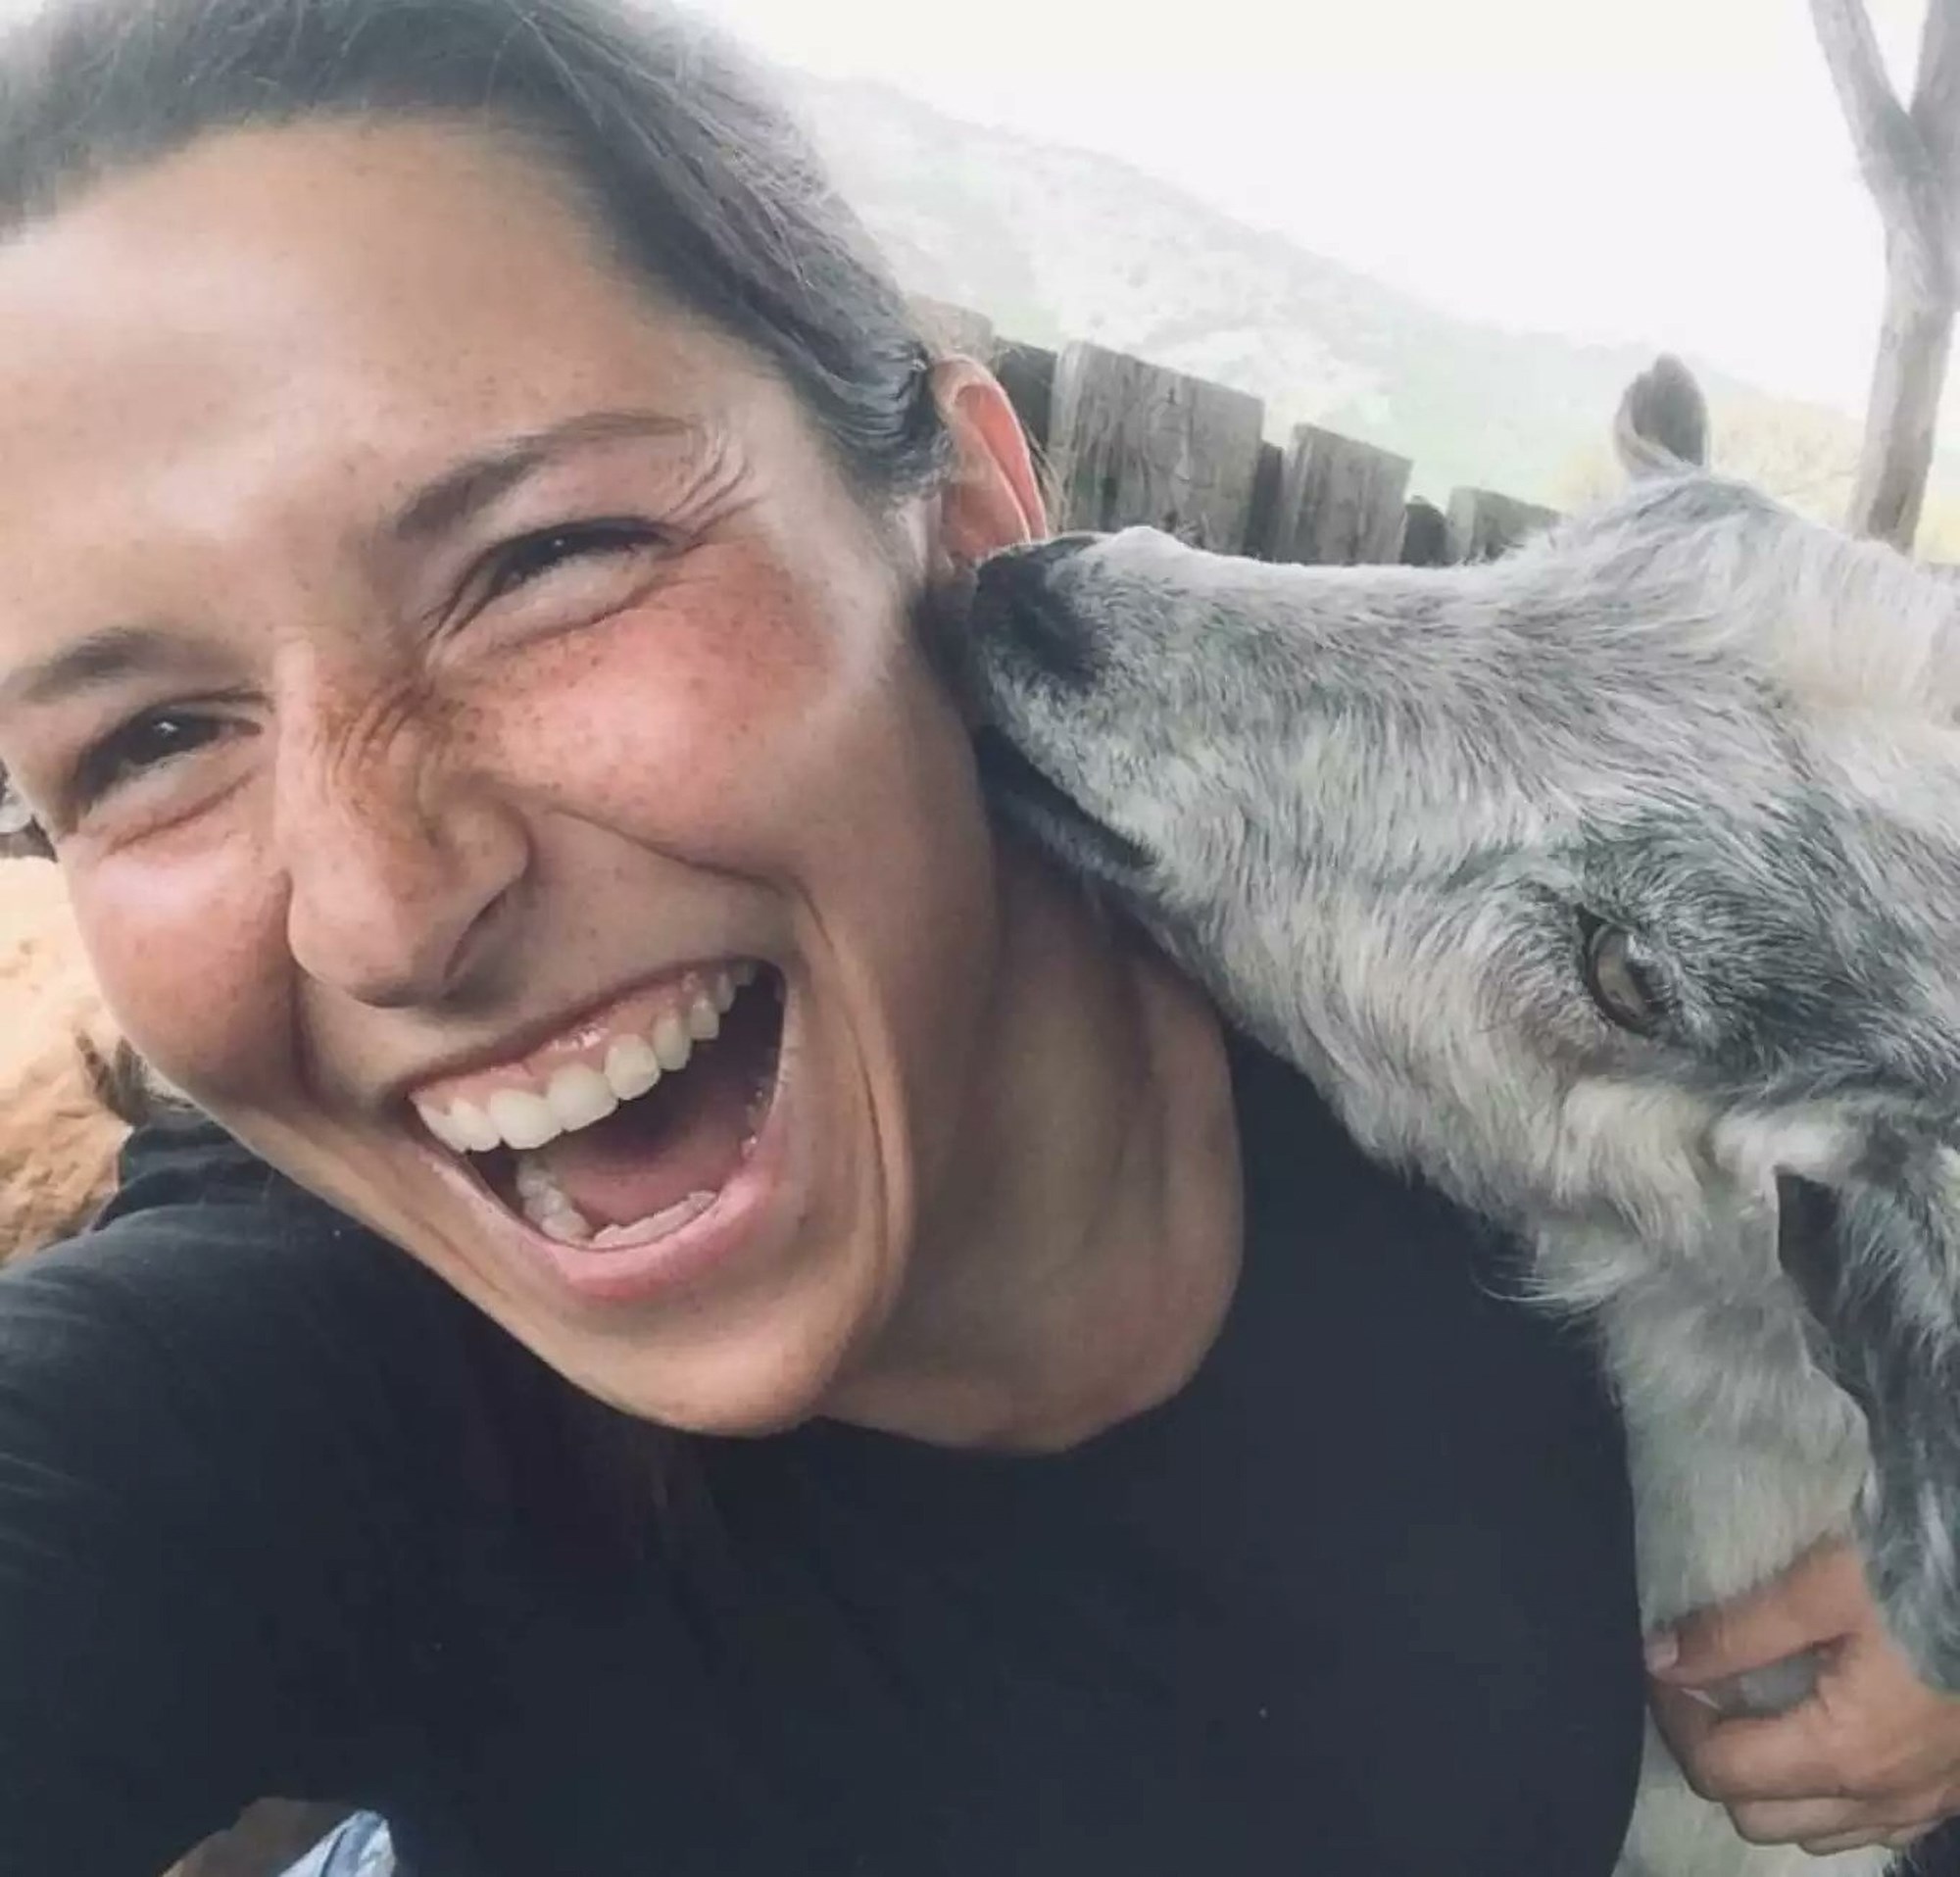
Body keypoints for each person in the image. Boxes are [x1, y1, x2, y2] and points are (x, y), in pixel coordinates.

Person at [0, 0, 1942, 1869]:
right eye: (148, 740)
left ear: (966, 509)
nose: (384, 913)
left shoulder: (1470, 1070)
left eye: (545, 558)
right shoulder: (281, 1390)